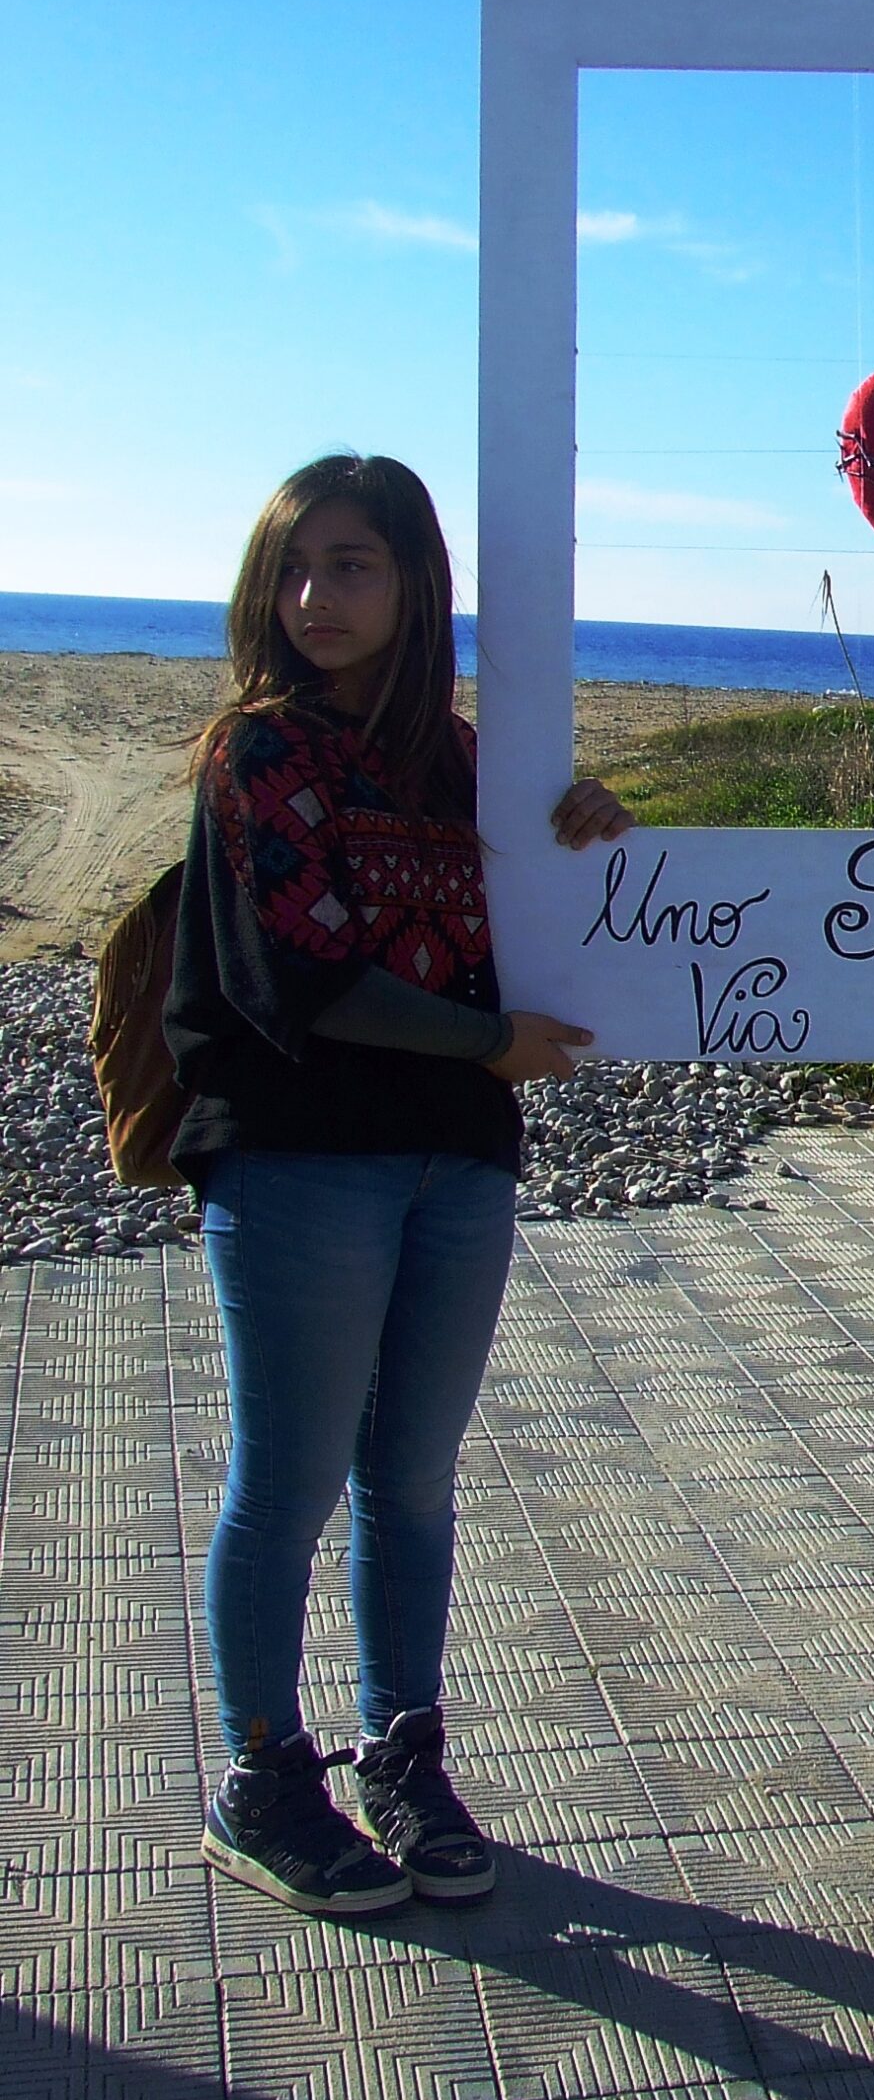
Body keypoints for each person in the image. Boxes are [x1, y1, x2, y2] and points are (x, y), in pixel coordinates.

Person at [165, 453, 634, 1917]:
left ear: (416, 581)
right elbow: (300, 975)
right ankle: (259, 1775)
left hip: (458, 1164)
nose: (317, 597)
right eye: (296, 567)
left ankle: (404, 1752)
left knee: (413, 1486)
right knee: (290, 1483)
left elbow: (536, 931)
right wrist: (493, 1040)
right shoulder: (256, 752)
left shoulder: (465, 762)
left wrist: (591, 841)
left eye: (353, 563)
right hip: (303, 1162)